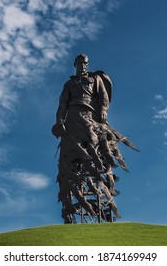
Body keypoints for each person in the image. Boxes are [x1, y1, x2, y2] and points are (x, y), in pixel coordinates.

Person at [52, 53, 135, 223]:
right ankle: (71, 204)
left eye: (85, 63)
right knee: (68, 157)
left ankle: (97, 178)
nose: (83, 65)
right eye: (80, 62)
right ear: (75, 64)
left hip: (88, 116)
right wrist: (59, 121)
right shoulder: (69, 84)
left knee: (92, 145)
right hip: (72, 118)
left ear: (88, 64)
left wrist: (103, 110)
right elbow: (62, 105)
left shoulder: (95, 79)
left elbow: (103, 97)